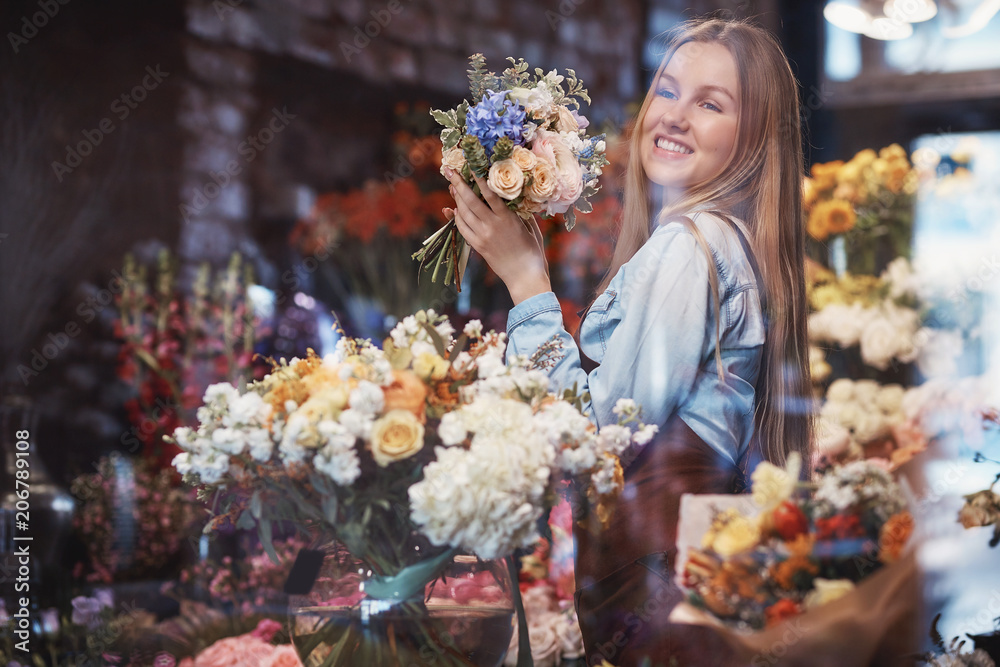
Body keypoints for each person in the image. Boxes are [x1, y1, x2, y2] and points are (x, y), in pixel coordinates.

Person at [443, 17, 812, 666]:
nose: (674, 116)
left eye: (710, 103)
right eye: (667, 91)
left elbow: (595, 441)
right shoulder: (727, 244)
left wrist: (527, 282)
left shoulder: (689, 245)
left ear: (754, 138)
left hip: (648, 601)